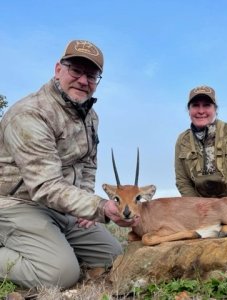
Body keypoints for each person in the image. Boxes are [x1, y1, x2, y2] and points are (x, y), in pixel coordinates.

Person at [0, 40, 137, 289]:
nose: (83, 81)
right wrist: (99, 207)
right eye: (76, 70)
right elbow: (45, 186)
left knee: (114, 257)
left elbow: (88, 164)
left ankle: (50, 246)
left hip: (62, 208)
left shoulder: (90, 116)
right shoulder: (30, 114)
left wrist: (84, 202)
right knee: (59, 275)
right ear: (58, 69)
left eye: (92, 75)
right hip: (19, 204)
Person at [175, 85, 227, 208]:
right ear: (189, 110)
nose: (201, 111)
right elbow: (183, 182)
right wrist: (199, 210)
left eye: (206, 105)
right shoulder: (182, 140)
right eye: (195, 105)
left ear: (215, 109)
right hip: (203, 210)